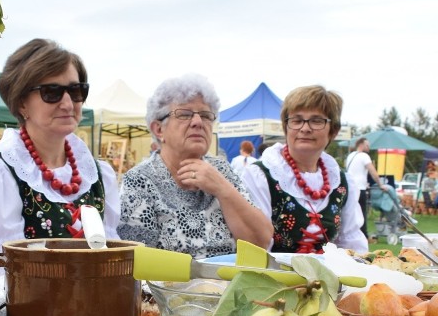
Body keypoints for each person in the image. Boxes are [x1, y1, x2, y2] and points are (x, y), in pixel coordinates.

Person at [0, 38, 120, 280]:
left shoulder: (97, 174)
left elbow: (113, 259)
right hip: (32, 312)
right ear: (21, 103)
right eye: (52, 93)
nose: (68, 103)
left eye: (76, 91)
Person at [117, 74, 272, 258]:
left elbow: (261, 241)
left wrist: (222, 188)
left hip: (230, 284)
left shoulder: (222, 171)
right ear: (159, 129)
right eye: (184, 114)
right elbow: (136, 260)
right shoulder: (140, 180)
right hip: (169, 286)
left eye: (206, 115)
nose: (198, 122)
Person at [241, 85, 367, 253]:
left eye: (316, 121)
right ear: (286, 127)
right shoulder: (260, 175)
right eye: (297, 120)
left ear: (333, 131)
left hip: (330, 277)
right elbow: (257, 245)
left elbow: (352, 243)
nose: (305, 128)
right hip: (275, 276)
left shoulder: (343, 183)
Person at [345, 137, 390, 239]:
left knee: (352, 213)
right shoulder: (364, 156)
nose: (369, 147)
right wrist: (380, 184)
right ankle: (364, 235)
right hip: (360, 189)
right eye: (367, 145)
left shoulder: (350, 156)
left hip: (350, 188)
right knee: (362, 213)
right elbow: (373, 172)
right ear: (361, 145)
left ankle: (351, 234)